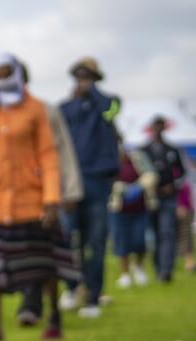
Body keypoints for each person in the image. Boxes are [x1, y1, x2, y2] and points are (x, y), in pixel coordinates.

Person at [0, 53, 74, 341]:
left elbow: (49, 156)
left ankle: (53, 316)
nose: (1, 79)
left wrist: (51, 199)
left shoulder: (35, 109)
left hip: (31, 200)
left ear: (17, 74)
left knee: (44, 264)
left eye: (6, 73)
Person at [14, 60, 84, 327]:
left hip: (47, 193)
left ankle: (44, 303)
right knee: (23, 250)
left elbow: (63, 151)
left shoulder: (46, 110)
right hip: (16, 197)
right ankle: (32, 302)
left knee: (45, 249)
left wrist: (69, 190)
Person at [58, 57, 122, 317]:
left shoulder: (109, 103)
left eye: (88, 77)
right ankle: (72, 287)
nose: (82, 81)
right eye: (79, 76)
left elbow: (110, 111)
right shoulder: (65, 108)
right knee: (67, 238)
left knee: (95, 241)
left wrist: (92, 92)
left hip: (97, 182)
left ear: (96, 79)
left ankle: (93, 297)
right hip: (72, 184)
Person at [141, 116, 188, 282]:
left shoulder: (172, 150)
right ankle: (158, 267)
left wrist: (172, 186)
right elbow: (139, 173)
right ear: (152, 128)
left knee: (167, 232)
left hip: (168, 197)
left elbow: (183, 173)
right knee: (154, 234)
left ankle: (166, 270)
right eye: (156, 127)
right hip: (150, 198)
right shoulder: (143, 150)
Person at [110, 140, 159, 287]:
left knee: (140, 240)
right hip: (119, 210)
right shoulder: (110, 161)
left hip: (141, 209)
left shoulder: (138, 157)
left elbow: (152, 174)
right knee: (121, 242)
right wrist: (122, 188)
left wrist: (138, 186)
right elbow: (107, 180)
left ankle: (138, 268)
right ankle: (124, 274)